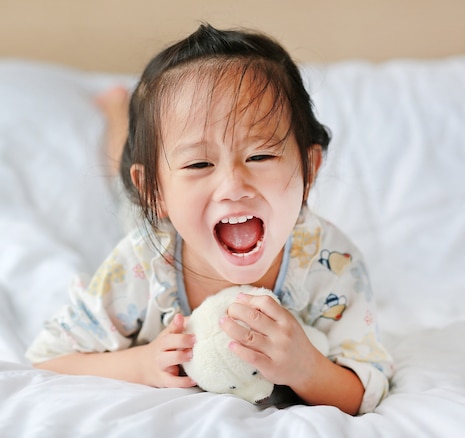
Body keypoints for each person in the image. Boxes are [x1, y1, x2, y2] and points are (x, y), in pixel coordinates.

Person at [26, 22, 393, 415]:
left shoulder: (331, 263)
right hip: (156, 222)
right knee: (128, 204)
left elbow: (365, 389)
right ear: (157, 190)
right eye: (200, 162)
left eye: (261, 156)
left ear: (309, 167)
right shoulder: (141, 264)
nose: (234, 185)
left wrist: (308, 369)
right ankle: (118, 115)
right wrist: (141, 364)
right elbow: (48, 360)